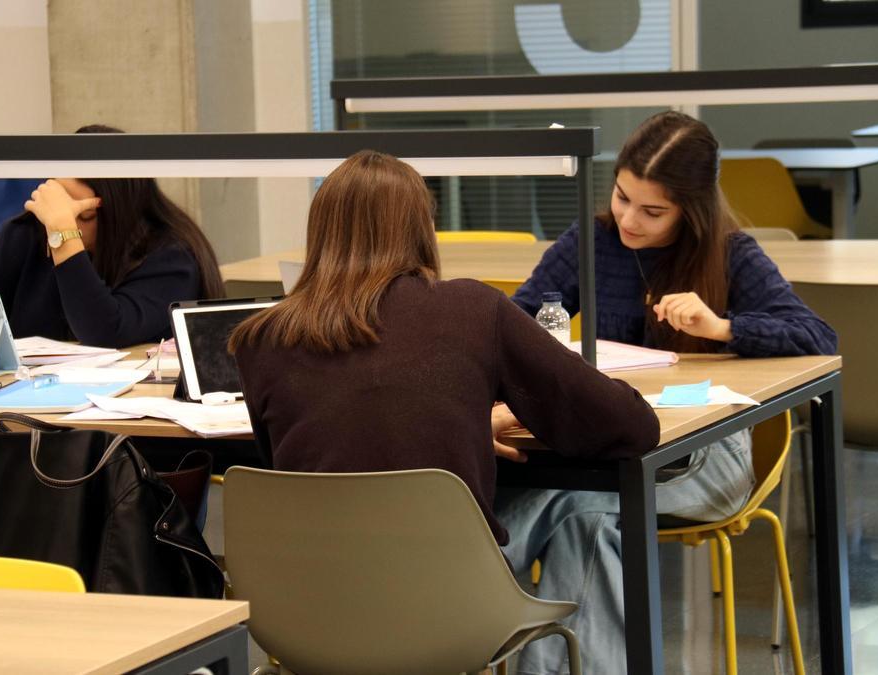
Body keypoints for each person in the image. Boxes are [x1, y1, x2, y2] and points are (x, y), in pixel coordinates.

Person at [500, 111, 838, 674]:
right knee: (544, 501)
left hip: (705, 458)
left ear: (691, 209)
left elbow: (818, 336)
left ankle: (465, 604)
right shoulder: (594, 241)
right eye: (623, 197)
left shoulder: (731, 254)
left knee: (576, 514)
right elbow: (515, 320)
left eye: (653, 211)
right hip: (606, 452)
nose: (630, 219)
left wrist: (724, 328)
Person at [230, 149, 660, 550]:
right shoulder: (473, 309)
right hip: (454, 599)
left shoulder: (259, 338)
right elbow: (626, 427)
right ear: (424, 229)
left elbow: (299, 460)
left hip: (306, 607)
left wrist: (462, 424)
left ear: (318, 233)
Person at [0, 124, 225, 348]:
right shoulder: (28, 234)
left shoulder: (171, 257)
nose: (57, 216)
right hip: (30, 401)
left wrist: (63, 234)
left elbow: (105, 332)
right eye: (56, 201)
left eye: (78, 211)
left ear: (116, 211)